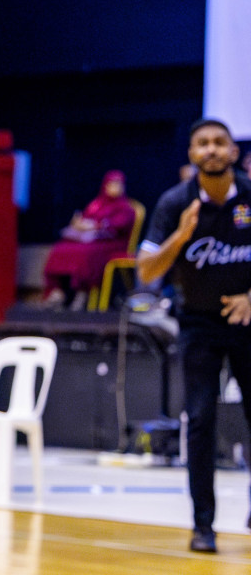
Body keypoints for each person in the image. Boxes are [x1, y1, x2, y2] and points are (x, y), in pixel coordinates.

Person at [137, 118, 251, 555]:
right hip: (199, 323)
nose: (211, 150)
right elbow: (146, 270)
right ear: (191, 154)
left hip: (246, 320)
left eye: (219, 143)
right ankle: (203, 525)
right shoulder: (174, 203)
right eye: (202, 144)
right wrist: (182, 235)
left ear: (233, 152)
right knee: (200, 420)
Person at [42, 170, 138, 307]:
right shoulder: (96, 204)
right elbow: (86, 218)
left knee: (87, 253)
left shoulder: (126, 207)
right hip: (90, 240)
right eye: (112, 184)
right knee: (61, 248)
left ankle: (82, 291)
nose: (116, 187)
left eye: (119, 184)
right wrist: (79, 224)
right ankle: (56, 291)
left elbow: (119, 225)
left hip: (113, 243)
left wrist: (96, 226)